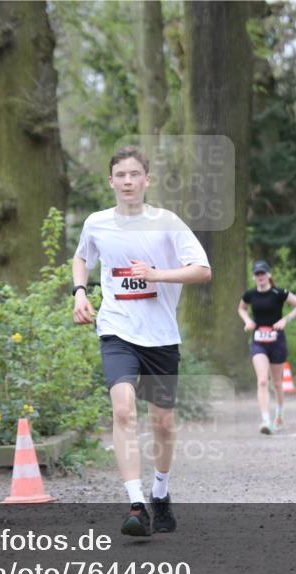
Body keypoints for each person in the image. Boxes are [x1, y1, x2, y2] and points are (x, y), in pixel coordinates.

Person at [72, 146, 212, 537]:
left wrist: (157, 274)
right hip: (117, 329)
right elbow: (82, 258)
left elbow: (202, 271)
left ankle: (160, 492)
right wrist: (80, 292)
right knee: (122, 411)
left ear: (147, 180)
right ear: (111, 181)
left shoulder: (167, 222)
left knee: (163, 423)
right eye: (121, 175)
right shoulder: (97, 223)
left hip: (161, 337)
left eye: (135, 174)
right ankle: (136, 504)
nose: (128, 181)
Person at [237, 260, 296, 434]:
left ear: (269, 275)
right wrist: (248, 321)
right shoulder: (249, 295)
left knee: (276, 383)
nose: (260, 277)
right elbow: (242, 309)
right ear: (254, 277)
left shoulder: (279, 292)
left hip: (277, 342)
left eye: (263, 273)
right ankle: (266, 421)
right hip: (259, 341)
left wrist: (285, 320)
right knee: (262, 381)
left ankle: (280, 415)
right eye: (257, 274)